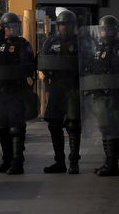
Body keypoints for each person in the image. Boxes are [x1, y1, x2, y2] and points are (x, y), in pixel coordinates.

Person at [0, 12, 34, 175]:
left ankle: (18, 162)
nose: (11, 31)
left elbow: (27, 65)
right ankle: (6, 160)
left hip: (16, 91)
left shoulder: (23, 44)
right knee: (2, 127)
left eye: (14, 27)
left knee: (16, 128)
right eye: (8, 28)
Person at [79, 15, 119, 176]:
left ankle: (113, 163)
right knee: (104, 128)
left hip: (111, 94)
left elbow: (118, 70)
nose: (105, 32)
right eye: (103, 29)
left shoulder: (117, 49)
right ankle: (108, 161)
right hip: (99, 93)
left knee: (111, 127)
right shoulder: (99, 48)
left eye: (108, 29)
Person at [39, 10, 82, 174]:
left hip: (73, 88)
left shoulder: (80, 42)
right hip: (56, 88)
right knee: (54, 124)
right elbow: (43, 61)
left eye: (68, 25)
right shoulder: (50, 41)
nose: (65, 27)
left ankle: (73, 162)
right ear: (58, 26)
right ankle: (59, 162)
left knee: (72, 125)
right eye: (62, 24)